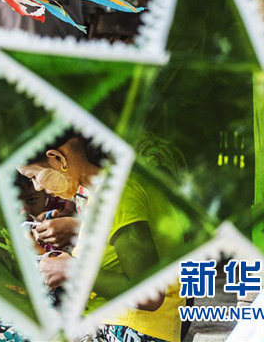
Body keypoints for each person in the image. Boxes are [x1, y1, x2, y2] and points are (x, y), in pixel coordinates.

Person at [18, 132, 185, 342]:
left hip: (134, 330)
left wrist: (71, 269)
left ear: (58, 158)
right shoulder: (103, 190)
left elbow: (148, 295)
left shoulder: (119, 192)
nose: (37, 187)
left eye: (34, 176)